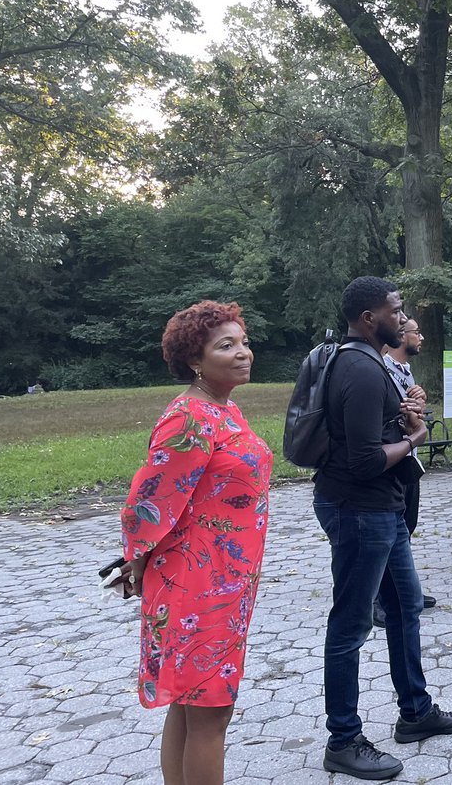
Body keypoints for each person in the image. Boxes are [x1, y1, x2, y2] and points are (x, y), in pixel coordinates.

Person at [313, 277, 452, 779]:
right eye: (396, 310)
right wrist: (416, 438)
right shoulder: (359, 368)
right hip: (360, 509)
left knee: (404, 606)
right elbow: (362, 461)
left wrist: (402, 421)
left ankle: (416, 712)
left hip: (382, 508)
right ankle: (343, 739)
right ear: (369, 318)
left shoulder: (372, 363)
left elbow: (365, 436)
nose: (403, 319)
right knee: (352, 624)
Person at [117, 301, 271, 785]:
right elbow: (149, 499)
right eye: (225, 345)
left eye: (243, 341)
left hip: (226, 580)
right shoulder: (190, 417)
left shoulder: (224, 409)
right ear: (194, 361)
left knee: (191, 707)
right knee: (210, 712)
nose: (242, 352)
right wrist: (135, 560)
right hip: (195, 583)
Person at [376, 318, 436, 621]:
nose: (421, 337)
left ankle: (403, 587)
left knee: (406, 526)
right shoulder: (383, 368)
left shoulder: (405, 370)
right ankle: (378, 598)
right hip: (392, 458)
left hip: (408, 458)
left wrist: (419, 402)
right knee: (391, 530)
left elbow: (411, 410)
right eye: (417, 332)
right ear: (401, 337)